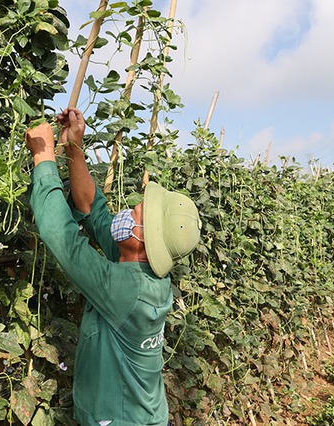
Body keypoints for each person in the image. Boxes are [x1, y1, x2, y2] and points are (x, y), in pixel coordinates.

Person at [25, 108, 202, 426]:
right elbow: (92, 208)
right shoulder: (143, 268)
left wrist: (44, 156)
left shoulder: (127, 289)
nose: (128, 213)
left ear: (146, 241)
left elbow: (61, 236)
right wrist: (74, 148)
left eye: (136, 215)